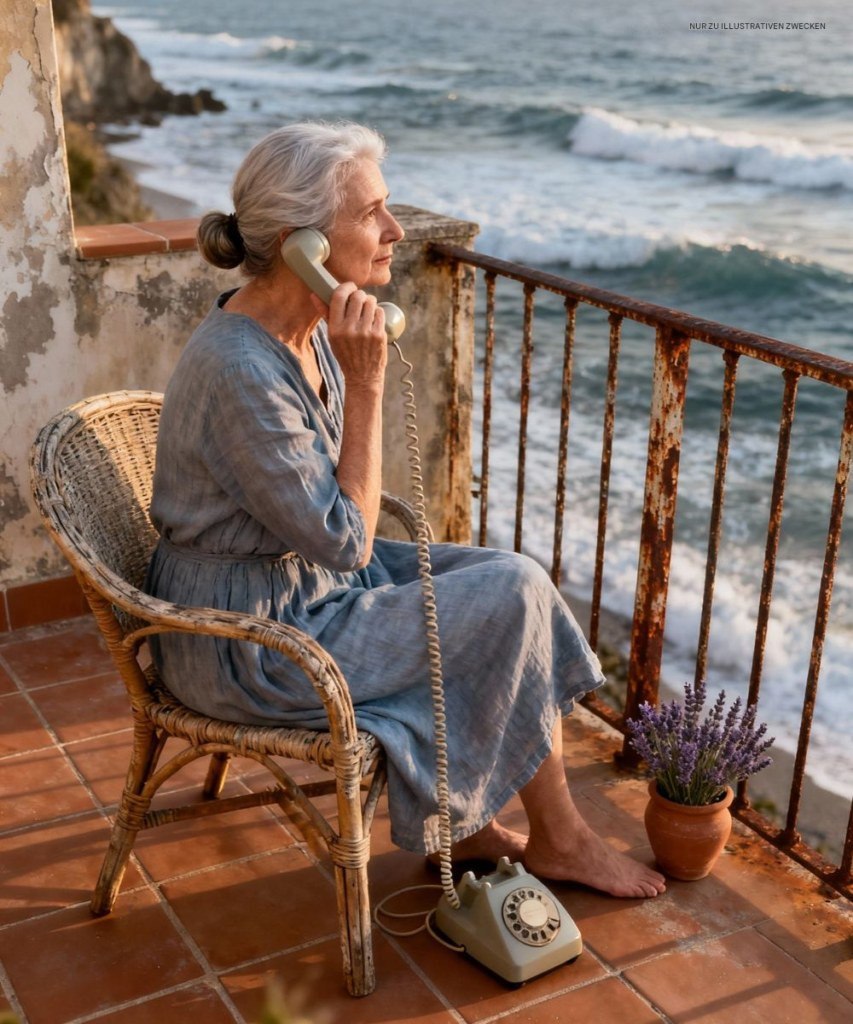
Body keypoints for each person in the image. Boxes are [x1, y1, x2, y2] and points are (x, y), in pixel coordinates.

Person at [145, 121, 666, 899]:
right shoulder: (237, 369)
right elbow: (346, 540)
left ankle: (471, 821)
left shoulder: (306, 324)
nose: (394, 231)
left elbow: (327, 529)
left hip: (302, 583)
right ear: (301, 246)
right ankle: (563, 840)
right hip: (245, 641)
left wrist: (349, 365)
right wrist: (368, 384)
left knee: (500, 576)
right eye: (371, 214)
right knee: (509, 594)